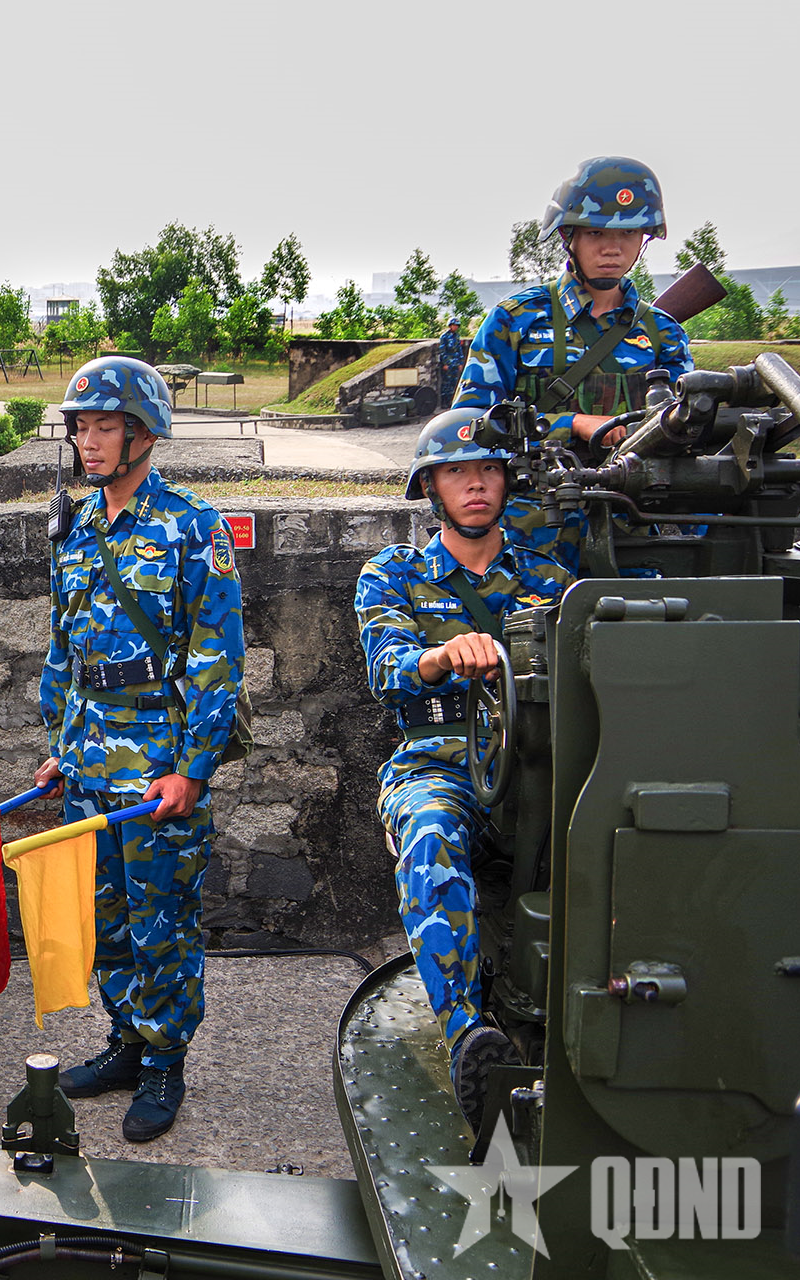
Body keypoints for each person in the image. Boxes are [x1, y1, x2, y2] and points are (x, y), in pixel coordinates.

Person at [34, 355, 245, 1142]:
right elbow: (65, 646)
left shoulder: (193, 524)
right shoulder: (79, 525)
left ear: (143, 433)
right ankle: (127, 1042)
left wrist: (193, 768)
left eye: (104, 426)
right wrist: (62, 745)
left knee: (165, 921)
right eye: (80, 427)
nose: (89, 441)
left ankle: (165, 1061)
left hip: (157, 763)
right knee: (109, 919)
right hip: (91, 761)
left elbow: (218, 656)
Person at [354, 407, 573, 1131]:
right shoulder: (394, 573)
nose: (475, 485)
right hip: (438, 762)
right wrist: (439, 656)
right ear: (432, 488)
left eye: (487, 470)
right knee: (427, 835)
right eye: (457, 472)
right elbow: (386, 669)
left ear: (508, 481)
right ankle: (467, 1040)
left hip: (541, 762)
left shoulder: (552, 578)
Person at [452, 156, 692, 571]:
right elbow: (472, 426)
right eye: (597, 231)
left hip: (632, 529)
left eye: (629, 231)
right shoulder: (516, 321)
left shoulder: (663, 332)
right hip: (532, 533)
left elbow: (689, 432)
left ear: (645, 238)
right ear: (569, 236)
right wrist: (574, 424)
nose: (612, 247)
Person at [436, 318, 465, 405]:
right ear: (450, 326)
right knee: (446, 383)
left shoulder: (457, 336)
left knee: (454, 383)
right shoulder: (444, 337)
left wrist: (460, 363)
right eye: (454, 325)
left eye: (456, 326)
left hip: (455, 363)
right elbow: (442, 351)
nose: (455, 327)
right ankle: (445, 402)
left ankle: (452, 401)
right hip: (448, 363)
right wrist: (445, 363)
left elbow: (459, 350)